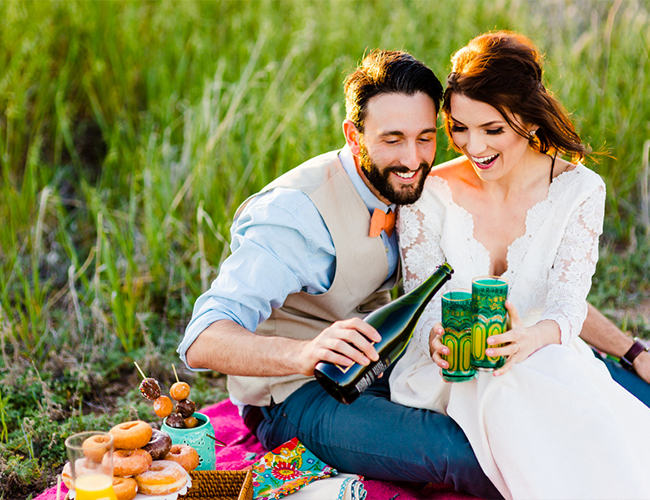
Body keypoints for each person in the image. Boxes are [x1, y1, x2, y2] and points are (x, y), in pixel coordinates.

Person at [178, 47, 647, 498]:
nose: (412, 158)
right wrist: (304, 352)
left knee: (595, 407)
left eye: (425, 137)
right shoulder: (294, 216)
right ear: (353, 135)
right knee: (478, 453)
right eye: (391, 139)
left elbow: (540, 285)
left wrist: (630, 350)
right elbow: (201, 341)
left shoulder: (422, 192)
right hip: (295, 394)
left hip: (379, 366)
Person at [388, 31, 650, 499]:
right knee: (508, 391)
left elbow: (569, 307)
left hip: (542, 352)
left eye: (492, 130)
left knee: (581, 407)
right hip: (451, 371)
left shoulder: (580, 191)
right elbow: (422, 299)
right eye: (460, 128)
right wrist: (434, 339)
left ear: (528, 120)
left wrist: (529, 338)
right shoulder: (429, 192)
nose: (473, 146)